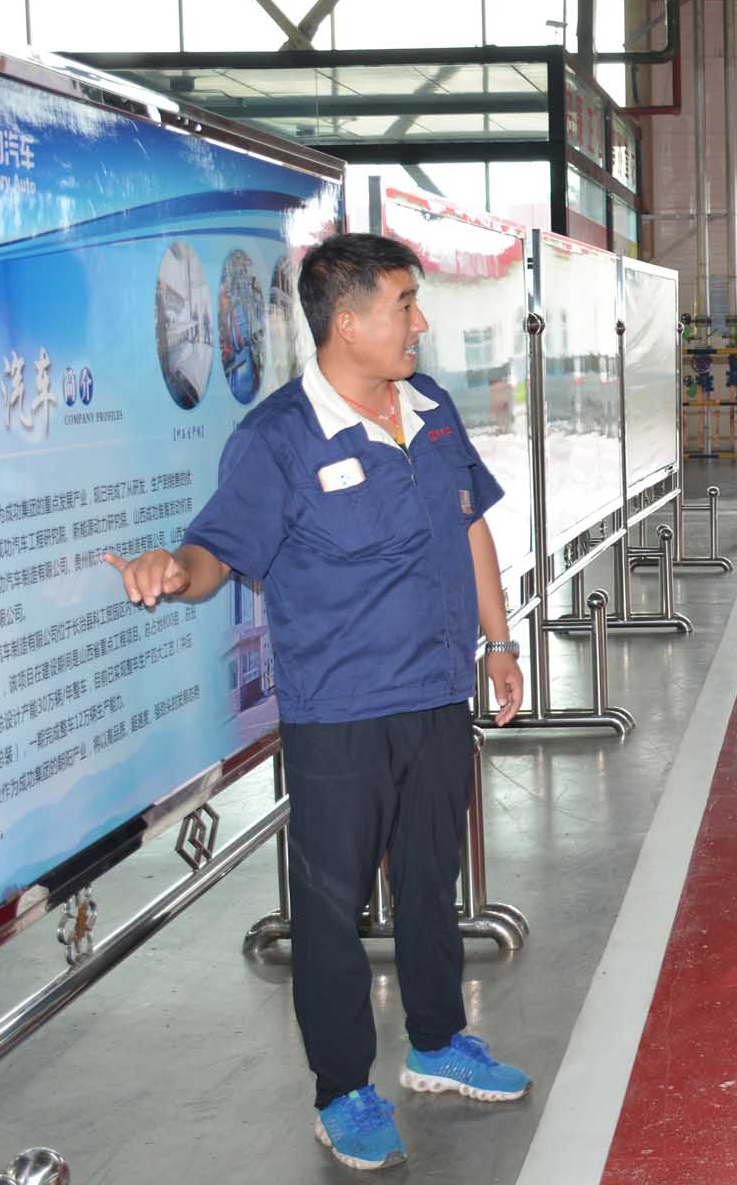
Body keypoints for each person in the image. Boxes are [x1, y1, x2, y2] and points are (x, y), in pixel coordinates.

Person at [105, 233, 531, 1173]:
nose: (420, 323)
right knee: (332, 909)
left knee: (432, 881)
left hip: (436, 692)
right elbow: (217, 553)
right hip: (339, 713)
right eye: (404, 305)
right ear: (347, 322)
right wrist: (172, 570)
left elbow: (470, 528)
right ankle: (342, 1091)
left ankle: (436, 1043)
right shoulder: (279, 440)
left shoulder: (430, 409)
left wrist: (498, 645)